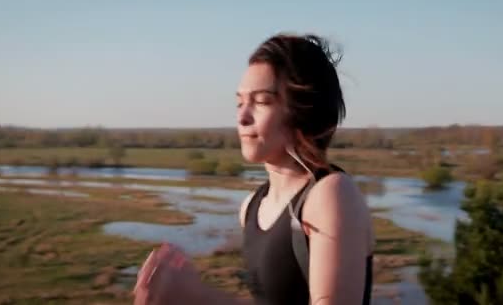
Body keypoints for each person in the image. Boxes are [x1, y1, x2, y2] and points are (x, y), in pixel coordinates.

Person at [133, 34, 374, 305]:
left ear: (303, 109)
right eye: (239, 102)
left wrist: (200, 298)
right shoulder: (251, 208)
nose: (242, 117)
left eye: (261, 101)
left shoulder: (330, 194)